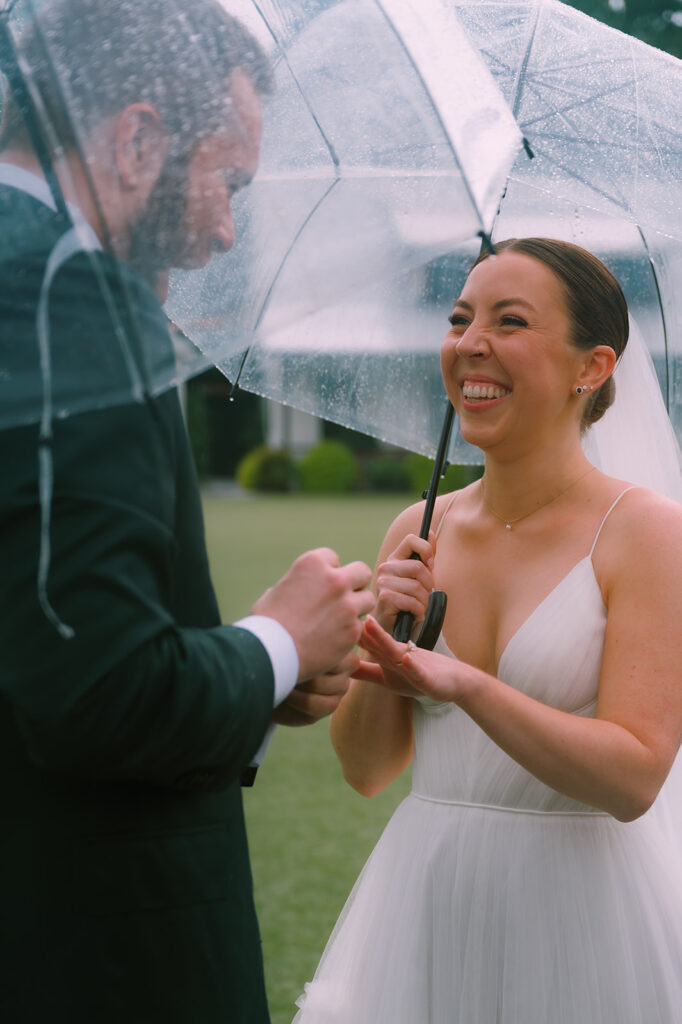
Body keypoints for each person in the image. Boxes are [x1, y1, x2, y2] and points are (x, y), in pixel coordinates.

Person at [0, 2, 374, 1022]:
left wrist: (248, 675)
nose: (221, 228)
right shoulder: (66, 291)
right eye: (229, 179)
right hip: (85, 953)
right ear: (136, 139)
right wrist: (276, 645)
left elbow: (32, 634)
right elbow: (99, 694)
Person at [293, 238, 682, 1023]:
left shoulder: (646, 533)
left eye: (510, 322)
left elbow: (635, 777)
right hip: (426, 897)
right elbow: (368, 769)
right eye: (459, 318)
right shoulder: (421, 527)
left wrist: (465, 685)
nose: (471, 343)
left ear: (592, 368)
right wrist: (384, 631)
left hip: (580, 917)